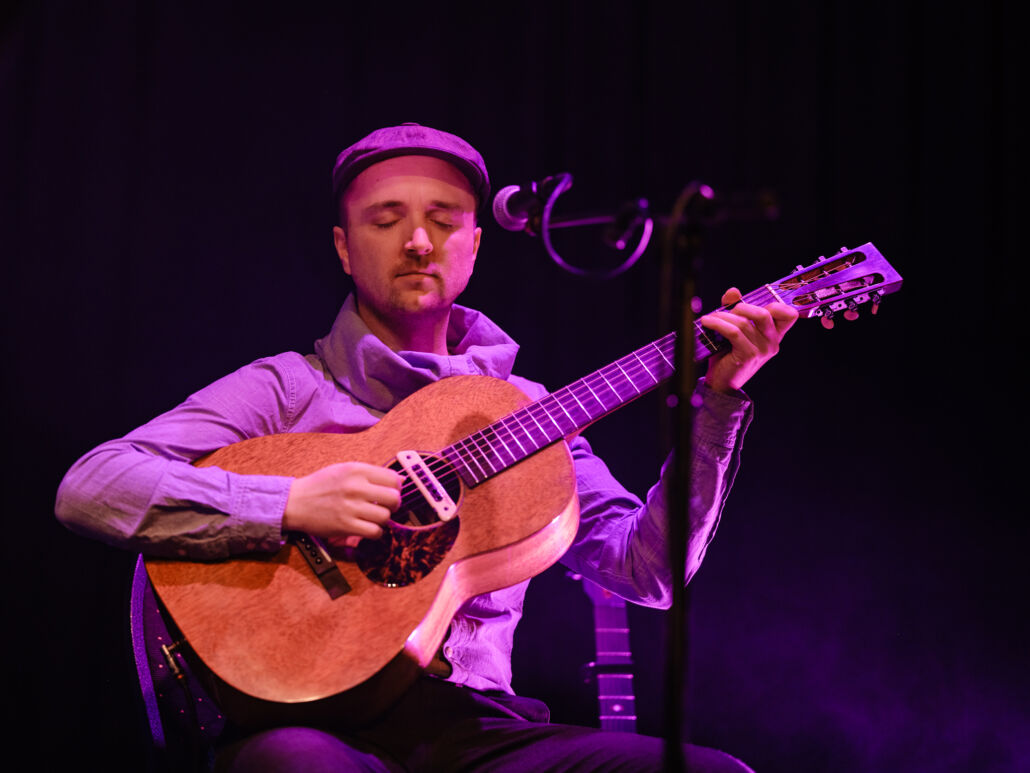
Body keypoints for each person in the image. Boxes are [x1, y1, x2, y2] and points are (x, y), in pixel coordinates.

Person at [55, 123, 798, 772]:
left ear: (475, 245)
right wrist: (290, 502)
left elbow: (646, 571)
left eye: (444, 221)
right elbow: (93, 484)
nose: (417, 242)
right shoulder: (285, 388)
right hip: (308, 722)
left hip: (480, 728)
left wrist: (717, 404)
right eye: (386, 220)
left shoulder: (525, 409)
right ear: (344, 248)